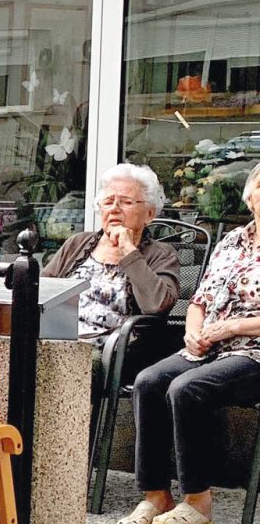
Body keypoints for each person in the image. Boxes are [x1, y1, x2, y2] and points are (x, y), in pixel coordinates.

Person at [115, 161, 260, 524]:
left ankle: (198, 503)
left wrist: (232, 326)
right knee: (149, 381)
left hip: (254, 351)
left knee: (187, 388)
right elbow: (199, 300)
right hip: (209, 343)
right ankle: (156, 496)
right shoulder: (233, 241)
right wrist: (192, 333)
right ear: (250, 196)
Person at [42, 164, 178, 397]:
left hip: (114, 349)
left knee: (65, 364)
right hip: (57, 339)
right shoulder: (78, 244)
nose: (114, 209)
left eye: (126, 202)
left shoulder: (161, 254)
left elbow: (156, 305)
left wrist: (128, 250)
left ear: (149, 213)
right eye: (108, 202)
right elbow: (41, 290)